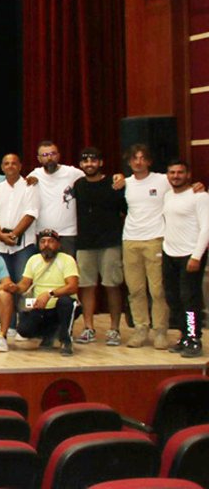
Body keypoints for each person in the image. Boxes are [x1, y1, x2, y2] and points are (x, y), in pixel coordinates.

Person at [72, 147, 127, 346]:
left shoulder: (114, 184)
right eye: (85, 162)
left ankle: (114, 329)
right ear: (80, 165)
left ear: (101, 163)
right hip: (85, 244)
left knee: (112, 285)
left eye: (93, 161)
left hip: (110, 243)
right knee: (86, 286)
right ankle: (89, 328)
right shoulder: (78, 185)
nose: (89, 165)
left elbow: (125, 211)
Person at [121, 144, 172, 349]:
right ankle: (141, 329)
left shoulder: (162, 180)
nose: (138, 162)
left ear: (149, 161)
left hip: (155, 239)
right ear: (129, 162)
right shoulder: (124, 183)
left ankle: (160, 331)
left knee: (158, 289)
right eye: (135, 158)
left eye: (143, 158)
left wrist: (197, 187)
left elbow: (183, 186)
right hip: (130, 240)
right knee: (135, 289)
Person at [160, 159, 209, 357]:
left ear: (188, 175)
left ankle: (194, 338)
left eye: (180, 172)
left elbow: (206, 227)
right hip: (169, 253)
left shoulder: (200, 196)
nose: (176, 176)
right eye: (172, 172)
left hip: (190, 254)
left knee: (190, 298)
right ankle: (184, 335)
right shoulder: (168, 196)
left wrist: (196, 256)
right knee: (173, 298)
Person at [14, 229, 80, 356]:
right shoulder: (33, 260)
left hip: (61, 305)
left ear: (58, 244)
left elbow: (72, 287)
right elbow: (24, 284)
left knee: (65, 302)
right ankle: (49, 334)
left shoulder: (67, 260)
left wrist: (50, 294)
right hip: (40, 307)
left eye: (51, 241)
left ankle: (66, 341)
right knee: (24, 329)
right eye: (43, 241)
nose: (46, 244)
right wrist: (13, 288)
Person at [27, 141, 85, 256]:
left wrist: (117, 177)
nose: (49, 158)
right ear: (39, 159)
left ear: (58, 155)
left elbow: (92, 179)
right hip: (43, 234)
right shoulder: (34, 175)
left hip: (68, 234)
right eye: (45, 155)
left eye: (53, 154)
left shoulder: (72, 173)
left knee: (68, 270)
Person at [0, 154, 38, 282]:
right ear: (2, 167)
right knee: (5, 285)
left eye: (14, 163)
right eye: (7, 163)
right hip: (1, 246)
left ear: (20, 166)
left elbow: (30, 214)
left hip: (24, 246)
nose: (10, 166)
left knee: (23, 285)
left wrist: (13, 235)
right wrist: (1, 236)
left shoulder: (30, 186)